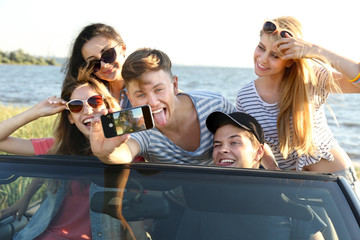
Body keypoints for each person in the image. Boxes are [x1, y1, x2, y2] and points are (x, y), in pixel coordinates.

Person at [0, 72, 145, 239]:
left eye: (95, 101)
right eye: (76, 106)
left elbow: (135, 218)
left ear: (108, 105)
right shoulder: (58, 148)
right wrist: (36, 111)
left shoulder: (129, 151)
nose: (88, 110)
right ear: (70, 117)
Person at [236, 16, 360, 191]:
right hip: (291, 185)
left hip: (334, 179)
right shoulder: (245, 97)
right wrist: (274, 171)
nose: (263, 59)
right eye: (261, 47)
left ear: (291, 60)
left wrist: (314, 50)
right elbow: (256, 145)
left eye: (274, 55)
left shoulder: (312, 79)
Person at [174, 111, 327, 240]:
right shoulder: (200, 201)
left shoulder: (286, 200)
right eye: (217, 144)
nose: (223, 150)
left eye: (234, 142)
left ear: (259, 152)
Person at [90, 48, 237, 165]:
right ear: (130, 98)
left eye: (159, 90)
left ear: (174, 85)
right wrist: (105, 153)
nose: (153, 102)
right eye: (140, 95)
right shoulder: (139, 126)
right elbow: (125, 153)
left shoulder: (215, 105)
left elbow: (247, 147)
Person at [63, 23, 132, 109]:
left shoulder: (146, 86)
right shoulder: (88, 98)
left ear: (122, 49)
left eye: (108, 54)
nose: (104, 65)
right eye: (93, 63)